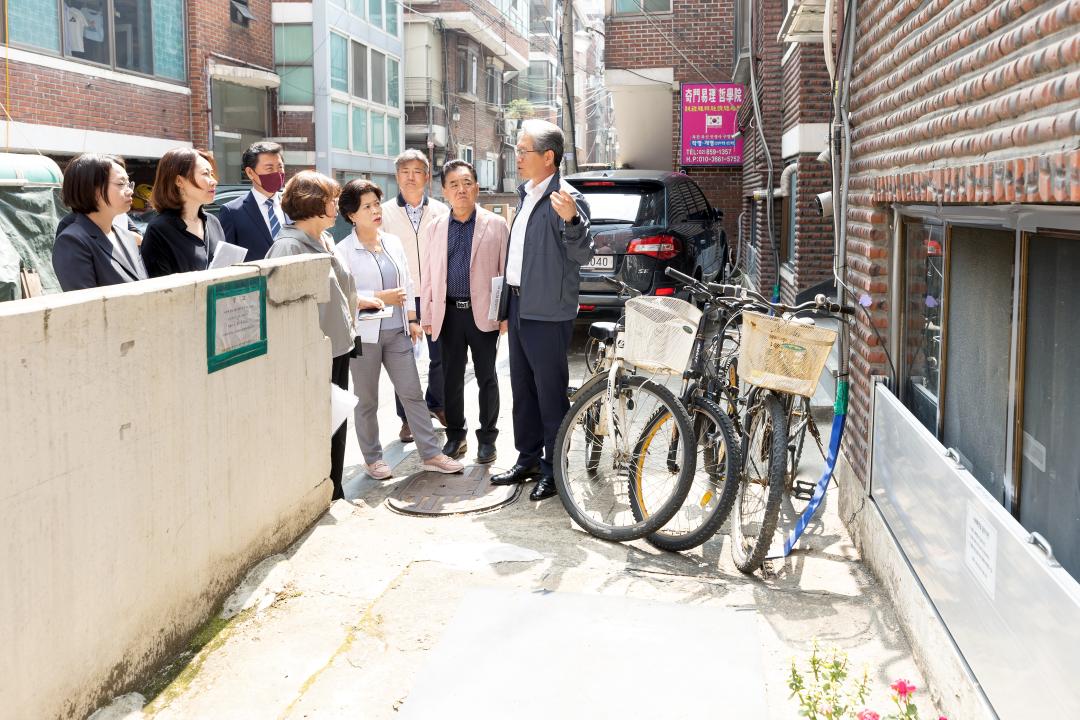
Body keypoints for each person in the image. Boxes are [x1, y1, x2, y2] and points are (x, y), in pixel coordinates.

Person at [334, 179, 464, 479]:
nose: (376, 210)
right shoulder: (343, 252)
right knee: (367, 400)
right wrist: (381, 298)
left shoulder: (391, 241)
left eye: (377, 204)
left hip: (398, 332)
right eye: (367, 206)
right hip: (364, 337)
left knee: (412, 394)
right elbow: (345, 297)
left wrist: (413, 319)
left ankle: (431, 454)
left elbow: (406, 282)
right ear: (352, 214)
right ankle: (373, 458)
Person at [491, 120, 593, 501]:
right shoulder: (528, 194)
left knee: (550, 393)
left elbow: (583, 251)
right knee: (523, 388)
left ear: (548, 157)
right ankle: (528, 458)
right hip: (520, 304)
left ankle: (554, 468)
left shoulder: (566, 198)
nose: (517, 157)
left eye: (523, 151)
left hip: (548, 310)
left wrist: (572, 221)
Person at [265, 171, 378, 501]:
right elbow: (278, 306)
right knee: (320, 427)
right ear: (312, 203)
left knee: (335, 424)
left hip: (339, 346)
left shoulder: (324, 240)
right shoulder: (288, 247)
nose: (335, 205)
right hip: (313, 355)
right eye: (330, 199)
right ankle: (323, 495)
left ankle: (334, 490)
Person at [420, 160, 508, 465]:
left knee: (487, 377)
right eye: (454, 184)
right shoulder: (434, 228)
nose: (461, 190)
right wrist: (427, 316)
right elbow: (429, 276)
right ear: (444, 191)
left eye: (467, 183)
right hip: (448, 314)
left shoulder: (495, 225)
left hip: (483, 313)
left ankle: (488, 439)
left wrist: (505, 314)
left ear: (477, 188)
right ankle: (456, 436)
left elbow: (504, 273)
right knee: (451, 378)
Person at [381, 149, 450, 443]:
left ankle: (435, 404)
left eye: (417, 171)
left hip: (435, 293)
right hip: (402, 295)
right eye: (405, 171)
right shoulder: (382, 212)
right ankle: (407, 417)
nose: (411, 177)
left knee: (441, 357)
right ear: (397, 177)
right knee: (403, 360)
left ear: (427, 177)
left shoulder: (441, 211)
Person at [53, 153, 148, 291]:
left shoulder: (126, 236)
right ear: (93, 190)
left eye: (129, 183)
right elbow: (86, 307)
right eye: (121, 183)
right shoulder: (72, 241)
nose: (130, 191)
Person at [141, 148, 224, 277]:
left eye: (212, 174)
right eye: (205, 174)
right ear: (179, 181)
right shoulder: (159, 229)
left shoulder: (213, 222)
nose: (214, 181)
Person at [218, 142, 287, 261]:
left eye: (280, 167)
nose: (277, 173)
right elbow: (227, 262)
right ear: (250, 172)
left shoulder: (292, 206)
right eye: (269, 168)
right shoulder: (232, 212)